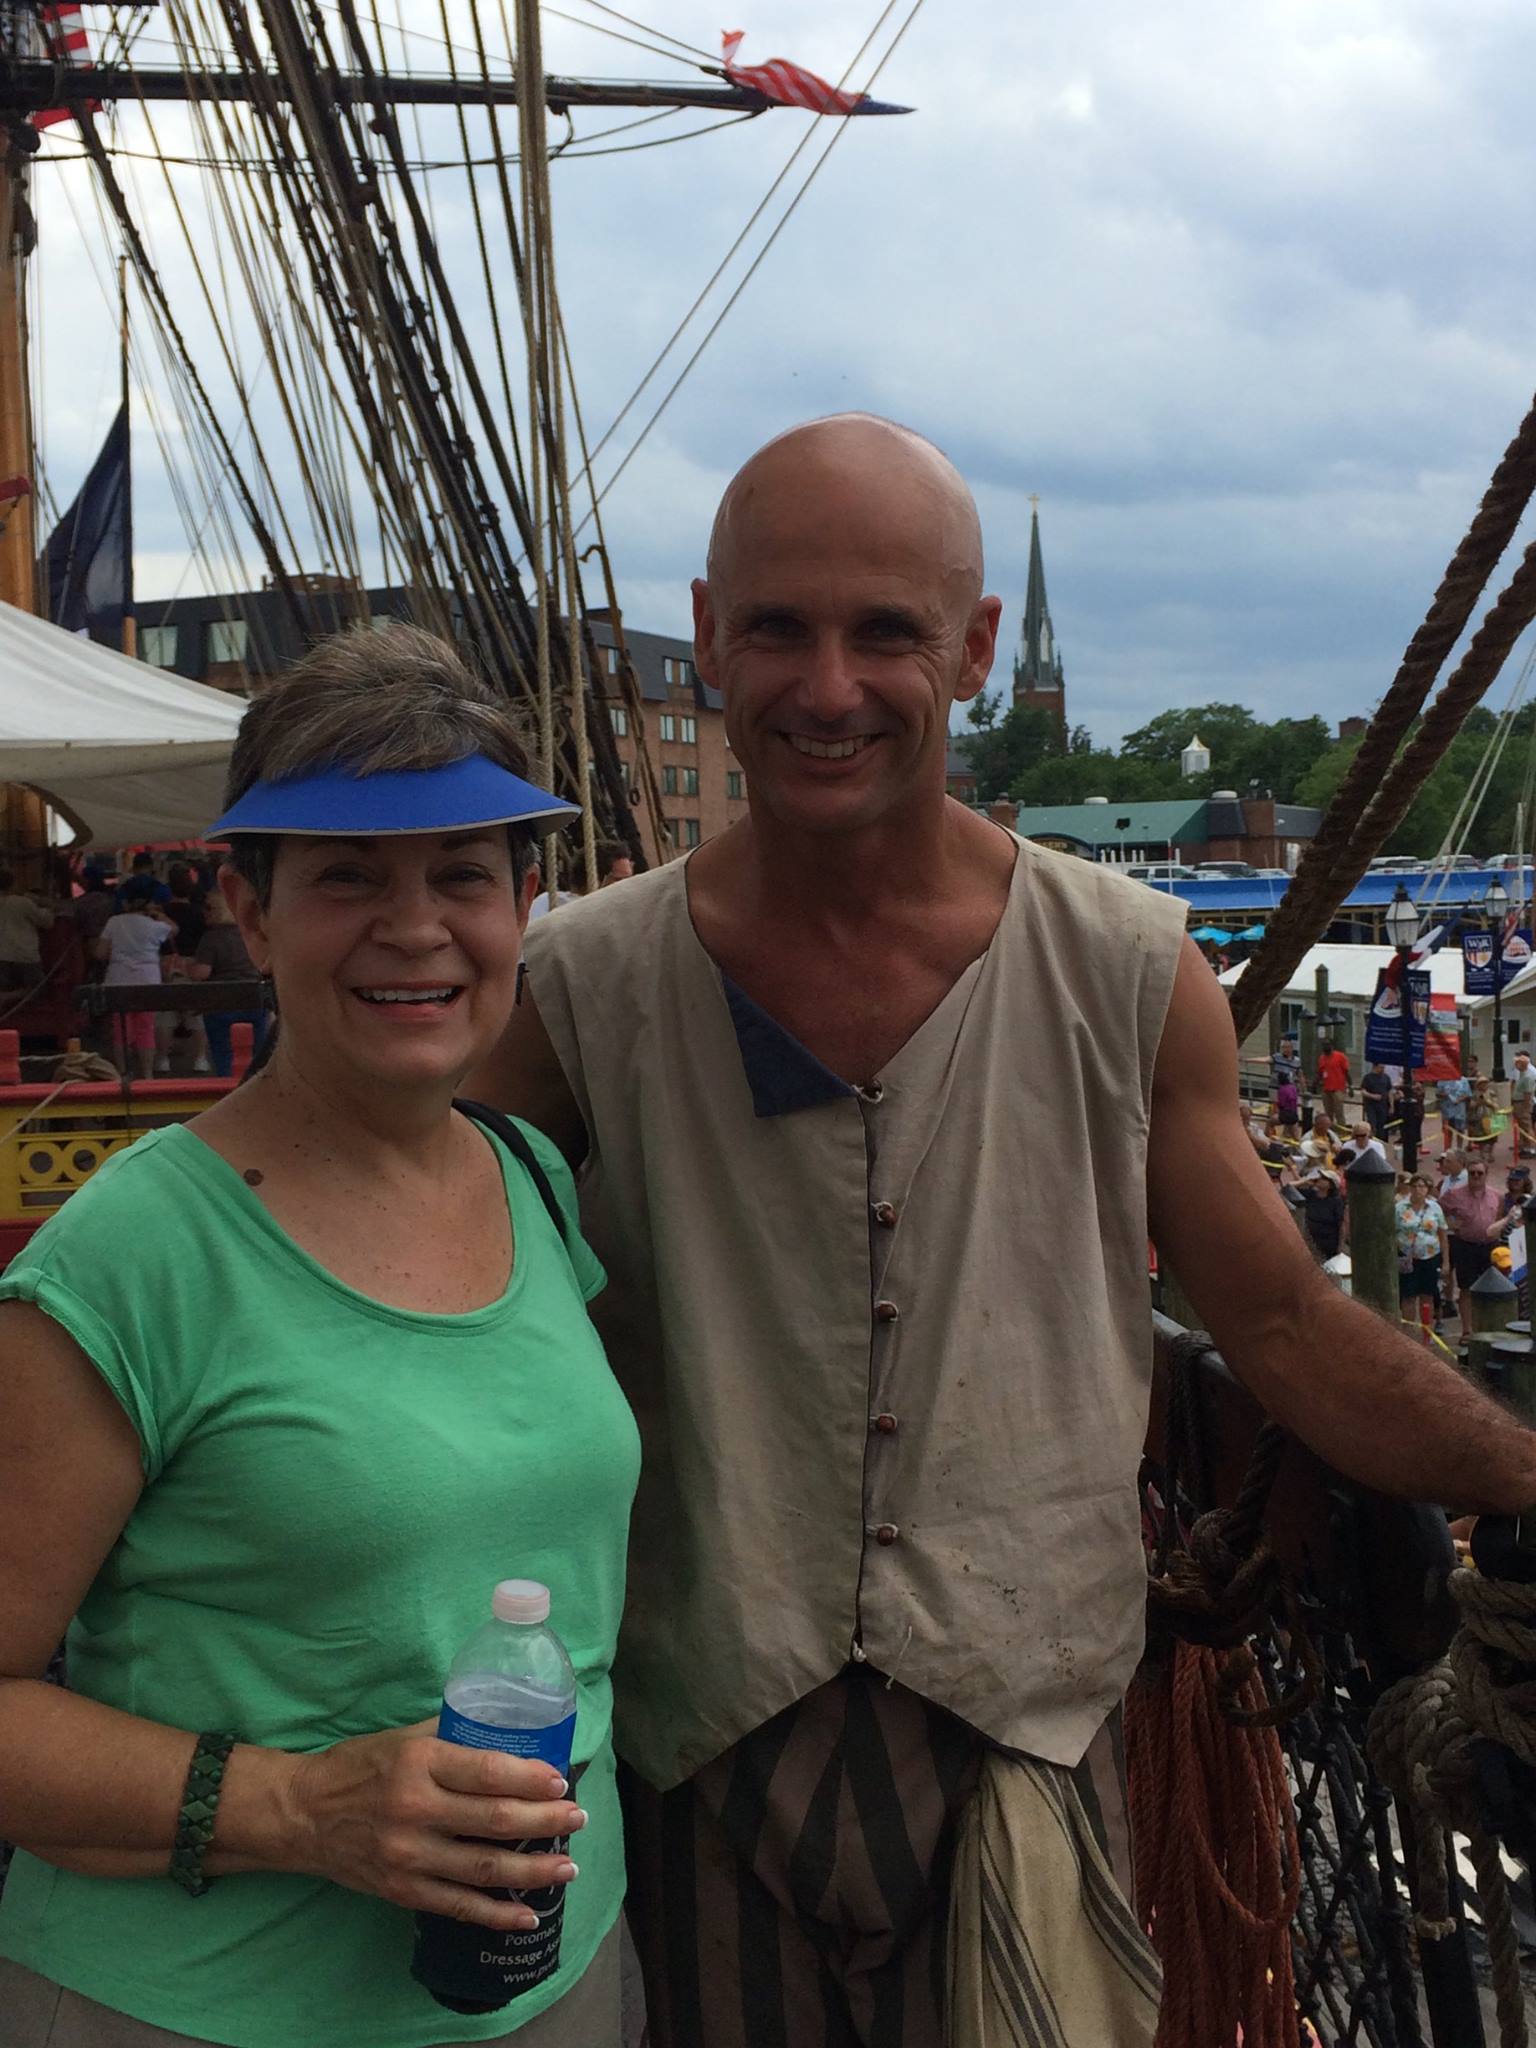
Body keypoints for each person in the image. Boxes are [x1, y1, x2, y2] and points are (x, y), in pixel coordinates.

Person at [476, 413, 1536, 2048]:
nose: (826, 686)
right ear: (710, 634)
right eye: (779, 627)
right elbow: (413, 1279)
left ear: (972, 650)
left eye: (884, 630)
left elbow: (1277, 1322)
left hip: (1019, 1767)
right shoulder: (582, 992)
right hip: (693, 1772)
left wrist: (1518, 1474)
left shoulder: (1126, 971)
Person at [0, 626, 636, 2048]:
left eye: (464, 876)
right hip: (199, 2012)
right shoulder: (129, 1261)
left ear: (524, 903)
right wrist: (299, 1808)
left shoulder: (531, 1183)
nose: (415, 929)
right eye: (348, 876)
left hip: (558, 1982)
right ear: (251, 902)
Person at [181, 887, 270, 1077]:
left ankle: (228, 1089)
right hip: (254, 997)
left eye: (209, 908)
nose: (204, 912)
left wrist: (186, 967)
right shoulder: (253, 935)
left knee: (224, 1053)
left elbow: (202, 973)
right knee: (258, 1053)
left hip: (220, 1001)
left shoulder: (211, 938)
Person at [95, 898, 175, 1079]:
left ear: (125, 904)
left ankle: (123, 1072)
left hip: (118, 979)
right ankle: (147, 1074)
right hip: (148, 980)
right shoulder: (154, 925)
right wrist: (159, 915)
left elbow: (100, 953)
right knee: (146, 1028)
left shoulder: (114, 922)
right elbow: (174, 929)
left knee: (120, 1029)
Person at [1442, 1158, 1506, 1336]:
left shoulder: (1497, 1195)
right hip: (1465, 1246)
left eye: (1480, 1173)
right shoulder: (1453, 1194)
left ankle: (1489, 1326)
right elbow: (1439, 1211)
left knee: (1492, 1287)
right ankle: (1467, 1330)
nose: (1476, 1176)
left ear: (1486, 1175)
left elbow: (1500, 1216)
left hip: (1490, 1246)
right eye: (1472, 1173)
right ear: (1467, 1174)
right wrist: (1451, 1223)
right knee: (1466, 1288)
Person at [1396, 1174, 1449, 1334]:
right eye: (1415, 1186)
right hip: (1407, 1257)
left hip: (1430, 1256)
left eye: (1422, 1186)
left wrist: (1446, 1261)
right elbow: (1391, 1232)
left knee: (1427, 1295)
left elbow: (1442, 1234)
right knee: (1408, 1296)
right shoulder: (1400, 1207)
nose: (1418, 1190)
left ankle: (1428, 1331)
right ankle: (1408, 1332)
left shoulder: (1434, 1207)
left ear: (1427, 1189)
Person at [0, 868, 53, 993]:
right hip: (24, 954)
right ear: (12, 884)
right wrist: (48, 907)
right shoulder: (22, 902)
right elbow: (47, 922)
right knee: (35, 991)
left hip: (1, 955)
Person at [1299, 1166, 1346, 1259]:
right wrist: (1304, 1181)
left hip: (1328, 1242)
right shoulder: (1311, 1194)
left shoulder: (1336, 1201)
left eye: (1324, 1178)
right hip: (1310, 1239)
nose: (1319, 1179)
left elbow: (1341, 1224)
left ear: (1331, 1185)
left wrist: (1340, 1246)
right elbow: (1287, 1188)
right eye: (1320, 1177)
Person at [1315, 1040, 1350, 1123]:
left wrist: (1350, 1086)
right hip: (1326, 1089)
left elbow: (1346, 1072)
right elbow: (1320, 1073)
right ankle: (1329, 1131)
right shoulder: (1321, 1058)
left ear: (1332, 1046)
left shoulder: (1340, 1056)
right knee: (1328, 1114)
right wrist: (1315, 1084)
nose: (1326, 1047)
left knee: (1339, 1113)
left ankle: (1341, 1132)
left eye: (1327, 1045)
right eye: (1324, 1045)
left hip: (1338, 1089)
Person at [1512, 1049, 1536, 1160]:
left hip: (1523, 1103)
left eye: (1517, 1063)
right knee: (1522, 1126)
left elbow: (1527, 1094)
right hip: (1518, 1102)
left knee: (1526, 1126)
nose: (1515, 1065)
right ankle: (1524, 1146)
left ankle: (1531, 1148)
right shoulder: (1522, 1074)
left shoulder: (1527, 1076)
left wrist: (1526, 1108)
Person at [1360, 1059, 1393, 1139]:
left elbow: (1389, 1092)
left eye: (1383, 1068)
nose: (1382, 1069)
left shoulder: (1386, 1077)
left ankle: (1382, 1141)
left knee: (1382, 1126)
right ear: (1375, 1067)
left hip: (1383, 1106)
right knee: (1372, 1124)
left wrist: (1392, 1106)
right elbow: (1363, 1091)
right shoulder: (1368, 1078)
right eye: (1381, 1067)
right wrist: (1372, 1096)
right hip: (1371, 1106)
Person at [1438, 1070, 1471, 1143]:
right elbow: (1438, 1093)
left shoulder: (1463, 1080)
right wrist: (1444, 1095)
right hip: (1448, 1109)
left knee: (1460, 1129)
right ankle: (1447, 1148)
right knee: (1448, 1129)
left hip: (1460, 1110)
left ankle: (1459, 1148)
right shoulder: (1443, 1080)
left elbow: (1468, 1094)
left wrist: (1459, 1100)